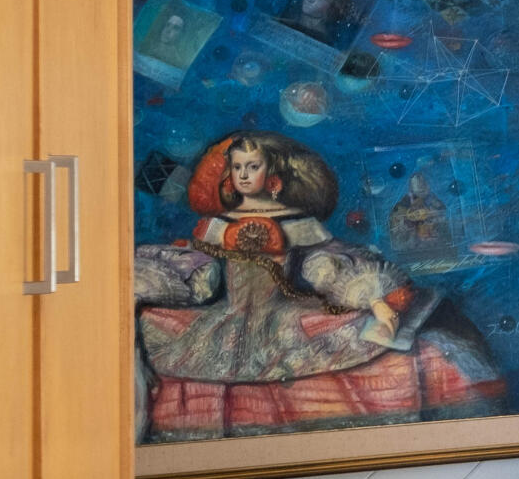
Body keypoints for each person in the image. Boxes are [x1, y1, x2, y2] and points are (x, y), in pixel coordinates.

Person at [134, 131, 500, 441]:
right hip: (227, 319)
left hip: (287, 315)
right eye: (238, 167)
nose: (245, 175)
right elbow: (200, 266)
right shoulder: (216, 225)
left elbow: (326, 263)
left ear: (272, 173)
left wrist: (374, 299)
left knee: (410, 345)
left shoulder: (295, 223)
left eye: (253, 166)